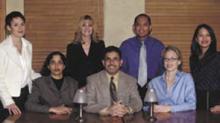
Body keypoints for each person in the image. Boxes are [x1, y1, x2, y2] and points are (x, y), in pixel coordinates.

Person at [0, 11, 40, 116]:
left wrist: (45, 78)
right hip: (8, 97)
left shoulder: (28, 45)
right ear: (9, 28)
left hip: (25, 95)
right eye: (16, 25)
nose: (20, 27)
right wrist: (9, 102)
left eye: (22, 24)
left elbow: (28, 71)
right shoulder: (2, 48)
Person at [85, 46, 142, 117]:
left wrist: (126, 109)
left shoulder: (130, 80)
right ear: (103, 62)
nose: (111, 62)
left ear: (121, 62)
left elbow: (137, 102)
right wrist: (107, 109)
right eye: (108, 59)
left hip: (124, 118)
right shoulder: (92, 79)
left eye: (115, 59)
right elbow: (87, 103)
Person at [120, 13, 164, 101]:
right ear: (134, 28)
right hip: (131, 87)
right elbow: (120, 69)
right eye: (138, 25)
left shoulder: (159, 46)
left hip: (153, 87)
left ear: (150, 27)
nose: (141, 28)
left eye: (145, 25)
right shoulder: (125, 46)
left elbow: (163, 69)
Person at [146, 46, 196, 112]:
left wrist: (170, 108)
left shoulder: (186, 78)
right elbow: (145, 107)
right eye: (166, 59)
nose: (169, 62)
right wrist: (152, 108)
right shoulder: (153, 83)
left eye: (173, 59)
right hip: (161, 119)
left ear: (179, 61)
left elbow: (192, 105)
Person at [66, 15, 105, 88]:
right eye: (84, 25)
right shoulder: (71, 47)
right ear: (80, 28)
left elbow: (102, 68)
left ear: (93, 28)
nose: (87, 28)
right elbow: (70, 71)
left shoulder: (100, 45)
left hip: (97, 86)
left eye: (90, 25)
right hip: (78, 87)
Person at [190, 24, 220, 111]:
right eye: (201, 35)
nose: (204, 39)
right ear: (196, 38)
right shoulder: (193, 58)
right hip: (197, 102)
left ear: (212, 38)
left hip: (216, 102)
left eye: (208, 35)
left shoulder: (218, 57)